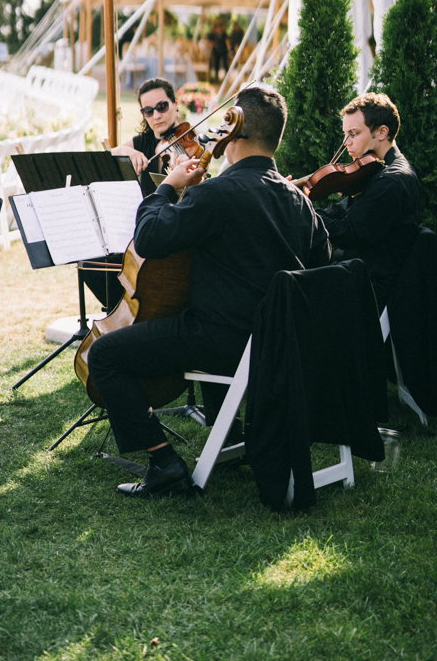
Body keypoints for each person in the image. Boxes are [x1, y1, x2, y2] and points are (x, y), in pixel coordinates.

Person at [87, 85, 330, 499]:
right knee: (211, 314)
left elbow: (148, 238)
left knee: (104, 354)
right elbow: (322, 261)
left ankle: (164, 464)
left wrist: (168, 187)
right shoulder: (297, 199)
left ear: (233, 130)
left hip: (224, 341)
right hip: (278, 345)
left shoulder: (217, 193)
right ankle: (230, 433)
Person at [317, 92, 420, 308]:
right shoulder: (375, 170)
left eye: (353, 134)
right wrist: (301, 203)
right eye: (345, 134)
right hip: (353, 272)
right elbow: (339, 211)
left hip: (366, 289)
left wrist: (303, 214)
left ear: (382, 132)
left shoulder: (392, 180)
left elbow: (348, 232)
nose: (346, 143)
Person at [112, 78, 183, 198]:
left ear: (175, 103)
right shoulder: (142, 142)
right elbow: (103, 157)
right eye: (148, 111)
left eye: (162, 106)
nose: (156, 116)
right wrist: (123, 150)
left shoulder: (189, 143)